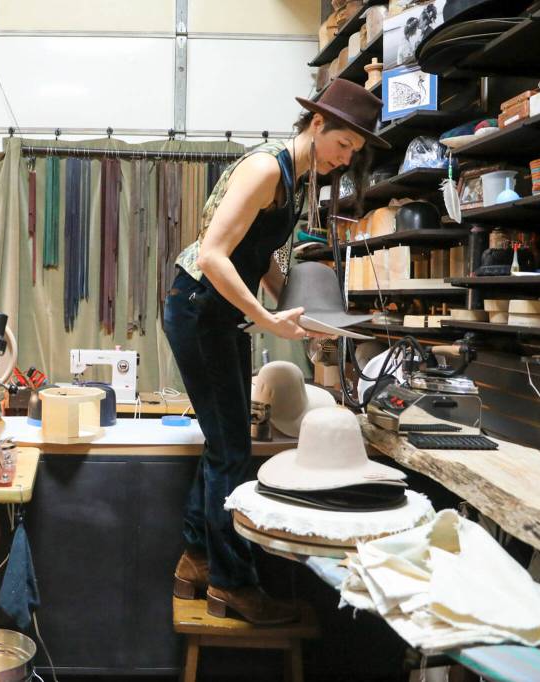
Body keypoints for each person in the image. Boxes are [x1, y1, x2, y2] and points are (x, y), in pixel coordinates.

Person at [164, 79, 388, 624]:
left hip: (218, 314)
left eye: (354, 154)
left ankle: (195, 559)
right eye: (343, 146)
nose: (345, 159)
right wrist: (266, 320)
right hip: (199, 306)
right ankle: (232, 583)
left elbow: (261, 256)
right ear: (317, 125)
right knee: (231, 451)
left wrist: (301, 315)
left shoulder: (299, 178)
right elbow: (215, 255)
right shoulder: (266, 169)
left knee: (226, 441)